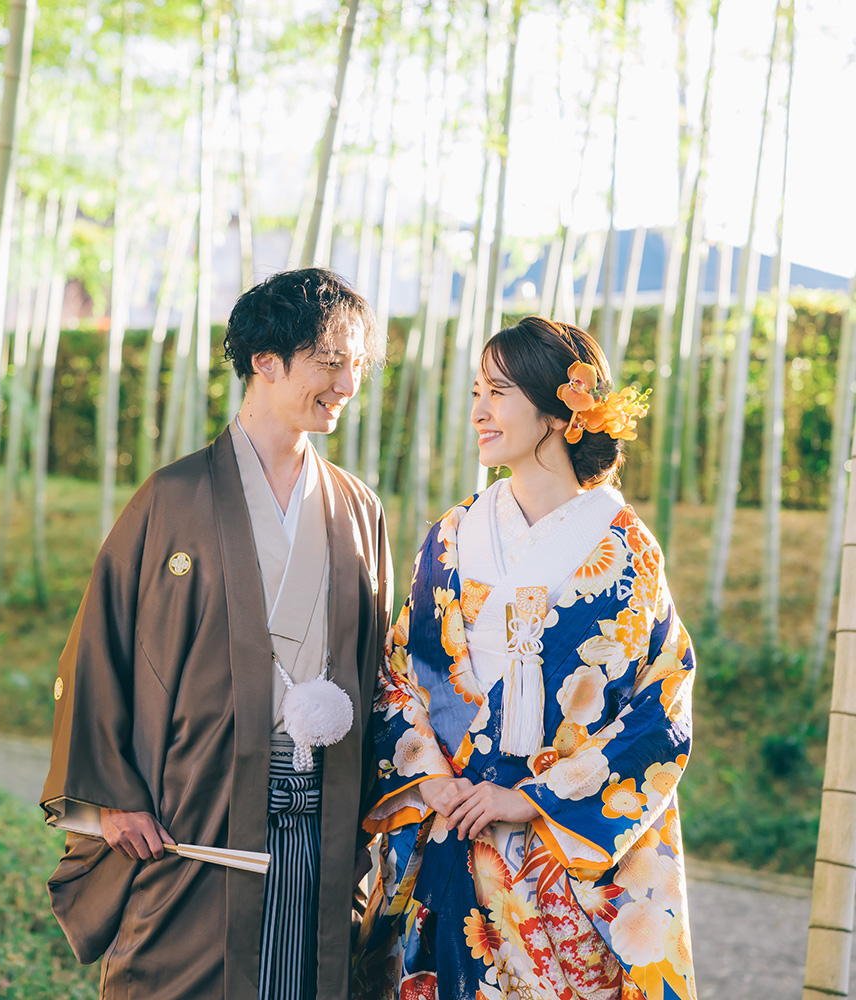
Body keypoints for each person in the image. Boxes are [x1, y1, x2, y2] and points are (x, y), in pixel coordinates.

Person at [40, 267, 393, 1000]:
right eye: (331, 362)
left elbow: (381, 674)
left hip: (323, 818)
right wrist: (112, 799)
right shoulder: (173, 499)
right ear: (267, 361)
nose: (347, 384)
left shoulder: (358, 507)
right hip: (199, 814)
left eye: (357, 365)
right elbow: (101, 650)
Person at [352, 316, 695, 1000]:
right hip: (451, 825)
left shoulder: (625, 549)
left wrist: (532, 798)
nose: (479, 410)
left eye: (499, 392)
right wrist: (430, 779)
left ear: (558, 412)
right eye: (477, 392)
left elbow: (661, 703)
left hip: (557, 861)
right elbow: (399, 673)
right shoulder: (454, 535)